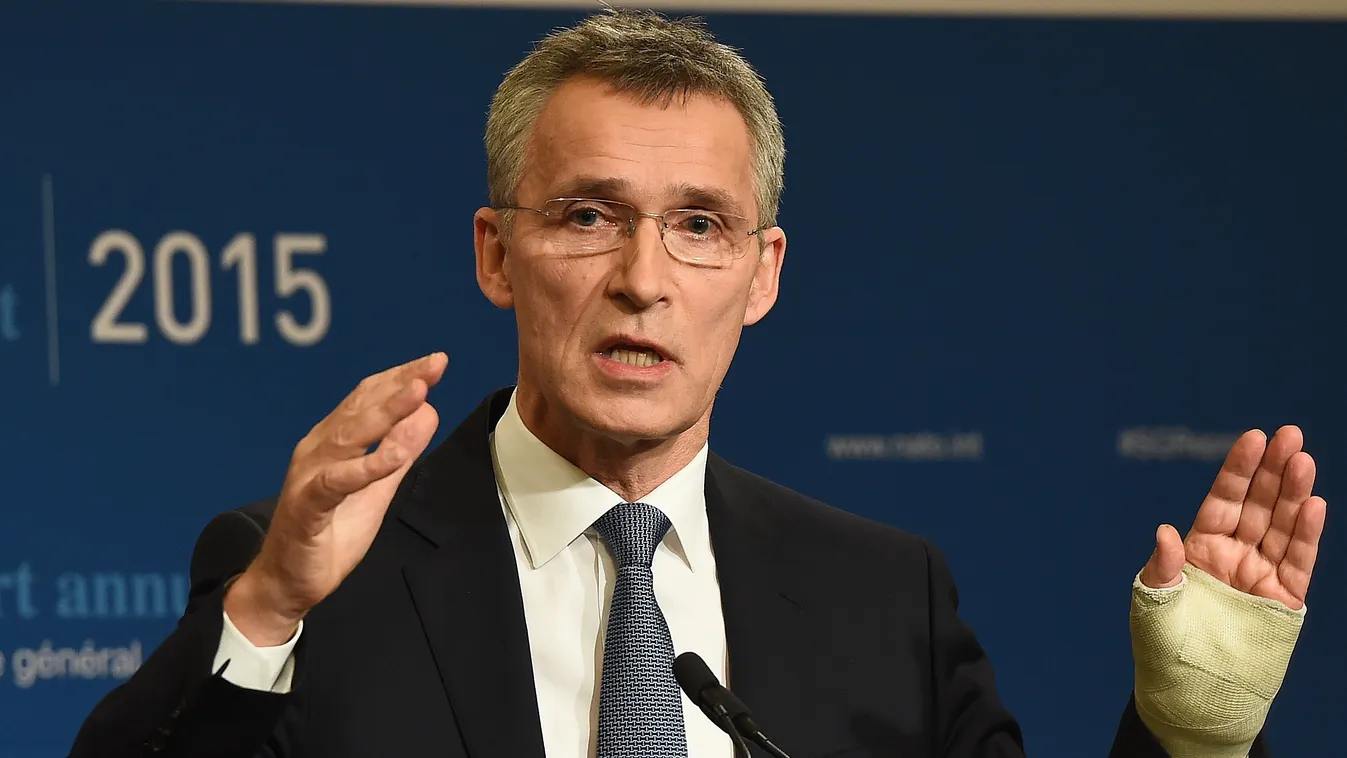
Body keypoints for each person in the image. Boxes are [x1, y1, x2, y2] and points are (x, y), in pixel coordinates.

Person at [68, 8, 1325, 758]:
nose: (642, 277)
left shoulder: (887, 596)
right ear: (496, 254)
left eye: (701, 226)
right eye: (588, 215)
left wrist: (1191, 735)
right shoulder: (314, 575)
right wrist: (270, 606)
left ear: (763, 273)